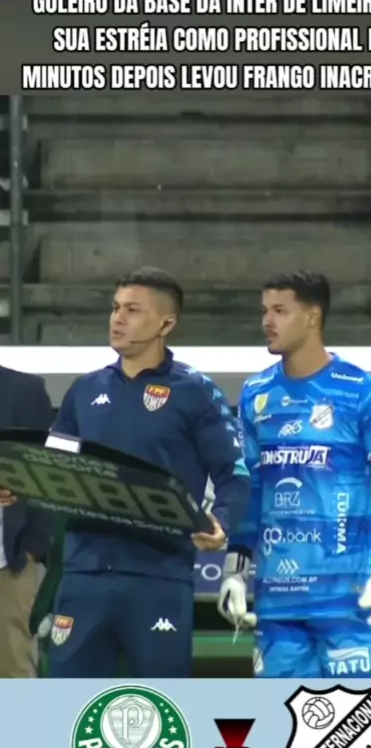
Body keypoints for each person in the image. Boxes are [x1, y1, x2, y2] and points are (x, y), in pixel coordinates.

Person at [27, 266, 249, 678]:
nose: (117, 319)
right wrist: (19, 485)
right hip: (83, 576)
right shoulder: (85, 390)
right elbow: (53, 466)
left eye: (132, 310)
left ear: (166, 323)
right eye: (115, 308)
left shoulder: (196, 392)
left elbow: (234, 473)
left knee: (161, 706)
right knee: (66, 706)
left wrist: (222, 521)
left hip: (158, 577)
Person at [217, 270, 371, 678]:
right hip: (277, 600)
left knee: (350, 718)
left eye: (280, 310)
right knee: (282, 717)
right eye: (265, 311)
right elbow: (251, 489)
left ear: (311, 316)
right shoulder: (255, 393)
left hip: (346, 598)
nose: (267, 321)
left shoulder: (362, 390)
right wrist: (235, 570)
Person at [0, 363, 54, 677]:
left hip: (8, 565)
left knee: (13, 675)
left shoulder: (24, 392)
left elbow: (49, 475)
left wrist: (33, 548)